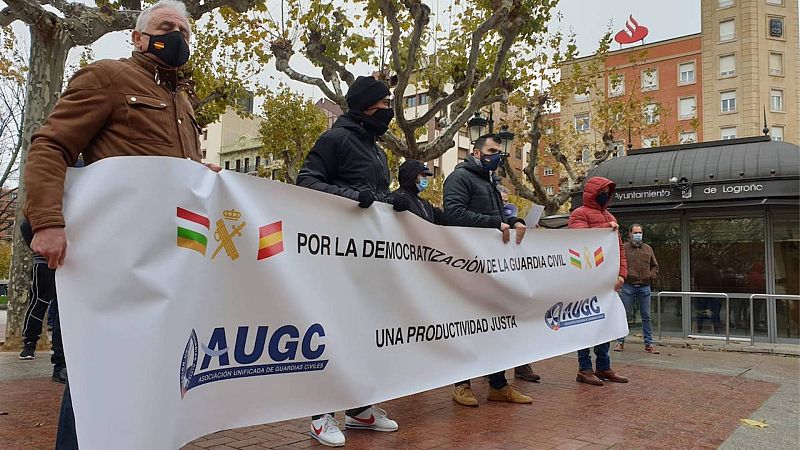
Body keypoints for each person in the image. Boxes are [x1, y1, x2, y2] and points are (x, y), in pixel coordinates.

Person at [23, 2, 218, 448]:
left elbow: (174, 176)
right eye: (166, 27)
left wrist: (201, 176)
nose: (178, 36)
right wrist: (48, 222)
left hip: (165, 261)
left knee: (154, 374)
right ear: (137, 37)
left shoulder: (184, 101)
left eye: (184, 30)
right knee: (100, 371)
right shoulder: (107, 77)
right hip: (114, 258)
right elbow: (50, 146)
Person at [296, 75, 405, 447]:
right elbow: (306, 182)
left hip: (370, 258)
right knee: (332, 333)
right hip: (336, 258)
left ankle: (358, 410)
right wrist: (349, 196)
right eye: (385, 103)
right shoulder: (335, 139)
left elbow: (375, 196)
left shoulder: (377, 149)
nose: (390, 110)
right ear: (367, 106)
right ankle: (319, 413)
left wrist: (395, 201)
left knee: (364, 334)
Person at [443, 134, 532, 407]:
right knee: (468, 327)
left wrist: (514, 220)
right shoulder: (459, 178)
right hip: (468, 264)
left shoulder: (490, 182)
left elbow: (500, 216)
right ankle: (461, 384)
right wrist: (494, 222)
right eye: (492, 150)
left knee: (496, 327)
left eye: (498, 151)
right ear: (476, 153)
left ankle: (498, 385)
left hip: (492, 267)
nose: (497, 155)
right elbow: (453, 214)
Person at [568, 176, 629, 386]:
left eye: (607, 191)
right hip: (585, 283)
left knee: (605, 325)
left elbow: (619, 249)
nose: (605, 194)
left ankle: (603, 366)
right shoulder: (579, 214)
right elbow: (581, 240)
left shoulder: (609, 216)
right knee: (585, 325)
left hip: (607, 284)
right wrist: (606, 228)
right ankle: (584, 368)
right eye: (602, 190)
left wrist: (622, 274)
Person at [496, 186, 542, 382]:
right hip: (497, 281)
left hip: (515, 280)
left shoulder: (513, 221)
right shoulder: (491, 220)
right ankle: (493, 371)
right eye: (502, 200)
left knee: (520, 324)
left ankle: (522, 365)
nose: (505, 204)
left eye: (507, 200)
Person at [17, 219, 68, 383]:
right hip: (45, 263)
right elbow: (26, 224)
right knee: (40, 303)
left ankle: (60, 362)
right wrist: (38, 249)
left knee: (60, 307)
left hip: (65, 263)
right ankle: (30, 345)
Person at [614, 224, 660, 354]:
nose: (638, 235)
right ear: (630, 234)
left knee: (646, 316)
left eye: (640, 232)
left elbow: (655, 266)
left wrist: (650, 275)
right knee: (624, 315)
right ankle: (620, 342)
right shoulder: (623, 249)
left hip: (644, 287)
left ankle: (649, 344)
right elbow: (618, 264)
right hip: (628, 286)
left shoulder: (648, 249)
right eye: (635, 232)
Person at [387, 160, 444, 224]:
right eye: (422, 175)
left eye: (425, 176)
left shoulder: (425, 204)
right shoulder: (396, 198)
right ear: (411, 175)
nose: (425, 179)